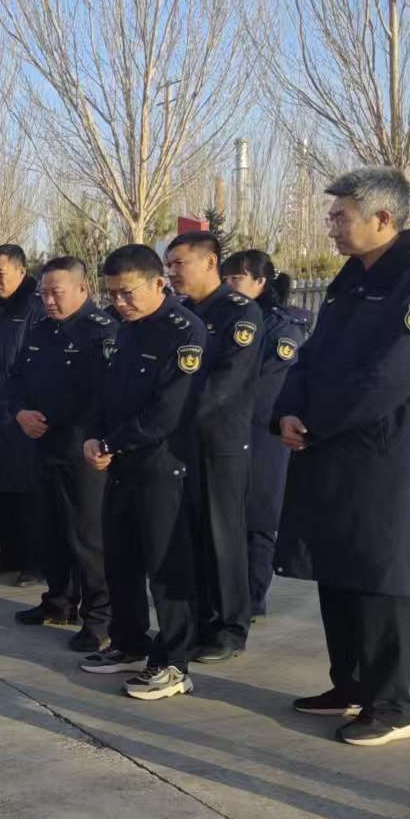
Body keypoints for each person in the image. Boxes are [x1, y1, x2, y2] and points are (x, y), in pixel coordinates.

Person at [274, 166, 410, 747]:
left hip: (388, 456)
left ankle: (392, 703)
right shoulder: (351, 279)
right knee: (337, 567)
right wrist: (287, 410)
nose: (332, 226)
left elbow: (392, 377)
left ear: (382, 218)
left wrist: (315, 423)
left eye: (341, 216)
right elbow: (310, 356)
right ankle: (351, 685)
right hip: (333, 447)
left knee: (381, 576)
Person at [81, 244, 206, 701]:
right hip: (120, 464)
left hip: (163, 466)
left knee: (166, 566)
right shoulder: (125, 330)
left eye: (127, 293)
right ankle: (129, 641)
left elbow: (167, 411)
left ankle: (173, 662)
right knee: (121, 558)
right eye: (112, 294)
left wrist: (112, 442)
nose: (119, 303)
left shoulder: (183, 331)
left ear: (158, 283)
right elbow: (106, 395)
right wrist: (94, 437)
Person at [8, 256, 118, 651]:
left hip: (83, 450)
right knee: (50, 531)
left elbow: (106, 397)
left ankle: (101, 619)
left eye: (57, 293)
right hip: (43, 446)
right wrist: (20, 412)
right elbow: (15, 379)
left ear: (82, 290)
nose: (49, 301)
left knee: (89, 539)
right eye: (44, 294)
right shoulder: (39, 331)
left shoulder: (101, 332)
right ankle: (58, 601)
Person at [166, 231, 263, 664]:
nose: (171, 273)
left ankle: (230, 626)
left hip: (220, 440)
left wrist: (171, 418)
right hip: (180, 442)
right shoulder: (181, 312)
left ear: (210, 262)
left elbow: (224, 384)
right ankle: (200, 620)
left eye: (178, 264)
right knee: (191, 535)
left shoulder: (240, 313)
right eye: (168, 265)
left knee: (223, 534)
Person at [222, 252, 312, 620]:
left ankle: (252, 599)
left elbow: (268, 390)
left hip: (263, 437)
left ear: (260, 283)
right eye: (225, 277)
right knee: (226, 520)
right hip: (226, 435)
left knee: (258, 521)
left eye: (237, 278)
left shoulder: (280, 327)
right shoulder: (222, 318)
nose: (229, 285)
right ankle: (226, 594)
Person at [0, 244, 48, 585]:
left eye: (0, 273)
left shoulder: (37, 307)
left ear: (21, 270)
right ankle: (9, 554)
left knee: (29, 491)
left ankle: (35, 561)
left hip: (26, 413)